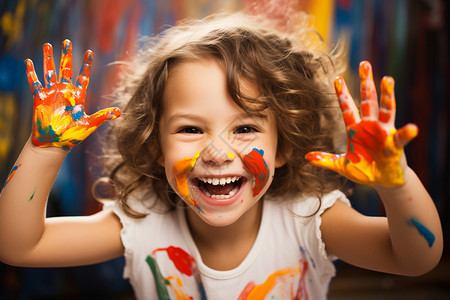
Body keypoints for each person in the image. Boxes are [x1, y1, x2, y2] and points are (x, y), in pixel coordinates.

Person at [0, 12, 443, 299]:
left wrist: (395, 182)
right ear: (155, 145)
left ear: (284, 145)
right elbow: (17, 246)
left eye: (246, 128)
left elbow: (416, 258)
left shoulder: (310, 220)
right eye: (191, 129)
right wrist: (44, 148)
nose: (217, 152)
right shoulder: (142, 224)